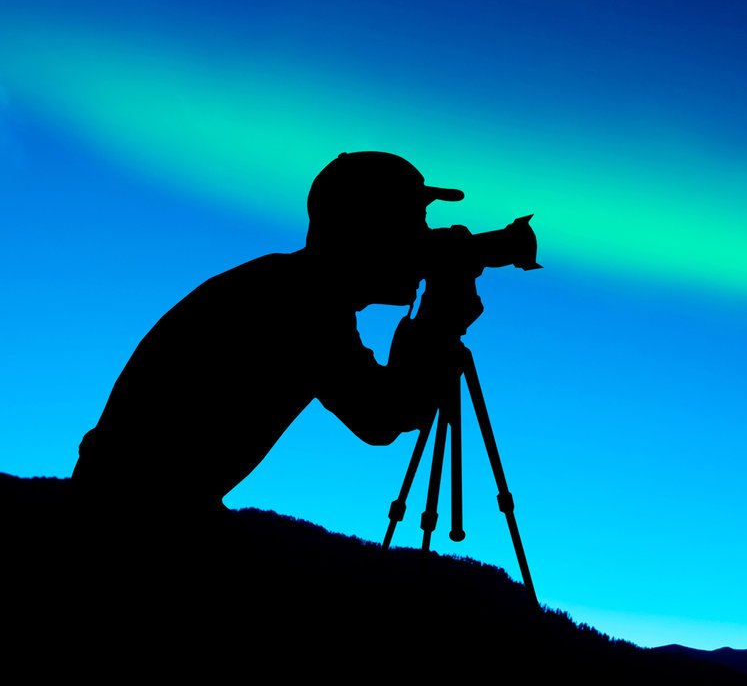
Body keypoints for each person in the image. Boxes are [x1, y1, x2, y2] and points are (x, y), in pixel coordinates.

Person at [71, 152, 483, 519]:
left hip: (139, 497)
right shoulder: (305, 301)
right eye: (414, 224)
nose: (424, 243)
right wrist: (438, 320)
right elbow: (382, 416)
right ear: (370, 232)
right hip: (133, 510)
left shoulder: (293, 285)